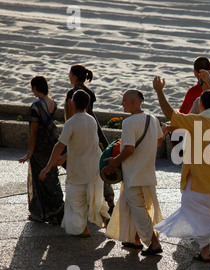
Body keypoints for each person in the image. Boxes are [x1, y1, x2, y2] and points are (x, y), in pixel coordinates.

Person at [153, 70, 210, 267]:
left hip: (200, 179)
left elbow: (170, 113)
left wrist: (159, 91)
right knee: (203, 212)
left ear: (201, 105)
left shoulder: (197, 120)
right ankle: (205, 253)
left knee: (202, 214)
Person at [39, 90, 110, 236]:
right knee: (94, 198)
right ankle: (104, 218)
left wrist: (47, 167)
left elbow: (59, 145)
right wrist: (65, 157)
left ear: (73, 103)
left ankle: (83, 229)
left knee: (75, 202)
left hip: (78, 171)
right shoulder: (91, 120)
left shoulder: (71, 123)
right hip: (93, 167)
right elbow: (88, 144)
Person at [104, 90, 164, 255]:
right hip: (148, 173)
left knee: (138, 210)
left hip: (134, 174)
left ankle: (155, 243)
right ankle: (135, 240)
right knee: (135, 208)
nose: (121, 104)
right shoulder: (153, 119)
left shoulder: (129, 122)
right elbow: (159, 141)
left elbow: (129, 148)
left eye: (123, 101)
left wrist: (115, 161)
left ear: (132, 102)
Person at [65, 64, 115, 212]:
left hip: (79, 133)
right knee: (98, 166)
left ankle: (84, 202)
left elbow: (71, 115)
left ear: (75, 76)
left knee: (80, 167)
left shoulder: (72, 93)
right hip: (93, 130)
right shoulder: (89, 92)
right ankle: (109, 198)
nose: (69, 76)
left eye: (70, 74)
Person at [18, 76, 64, 225]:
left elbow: (34, 132)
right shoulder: (52, 103)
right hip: (51, 144)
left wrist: (29, 152)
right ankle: (57, 209)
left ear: (35, 88)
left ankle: (41, 212)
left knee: (40, 179)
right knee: (51, 176)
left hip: (39, 147)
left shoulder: (36, 106)